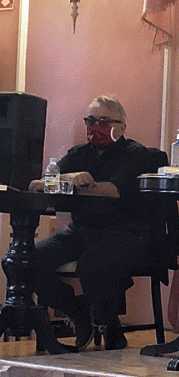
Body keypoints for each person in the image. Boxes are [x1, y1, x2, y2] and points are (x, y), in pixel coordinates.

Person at [27, 96, 165, 350]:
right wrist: (70, 178)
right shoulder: (78, 154)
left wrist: (75, 184)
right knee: (25, 260)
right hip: (80, 232)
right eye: (90, 120)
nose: (95, 127)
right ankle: (77, 310)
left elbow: (112, 190)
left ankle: (109, 325)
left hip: (126, 232)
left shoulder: (136, 154)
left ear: (121, 127)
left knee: (93, 264)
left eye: (103, 121)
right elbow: (39, 185)